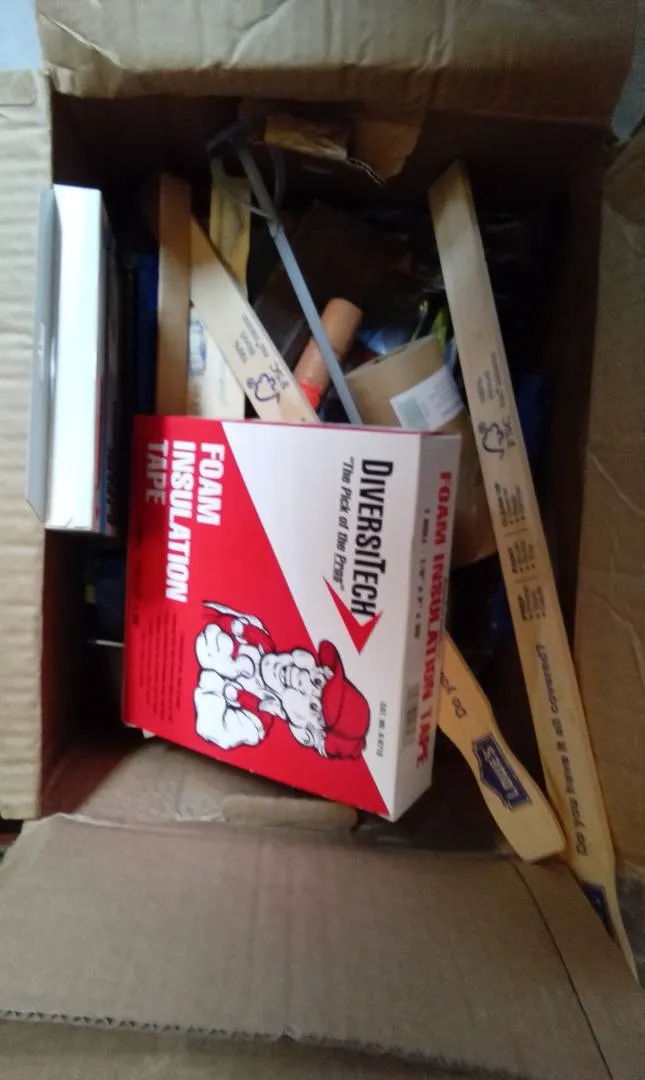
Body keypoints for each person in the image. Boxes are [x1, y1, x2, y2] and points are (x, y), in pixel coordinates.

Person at [194, 601, 370, 759]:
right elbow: (202, 611)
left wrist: (217, 674)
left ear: (304, 735)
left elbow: (209, 725)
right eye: (317, 680)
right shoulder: (256, 633)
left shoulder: (252, 725)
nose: (302, 677)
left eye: (313, 705)